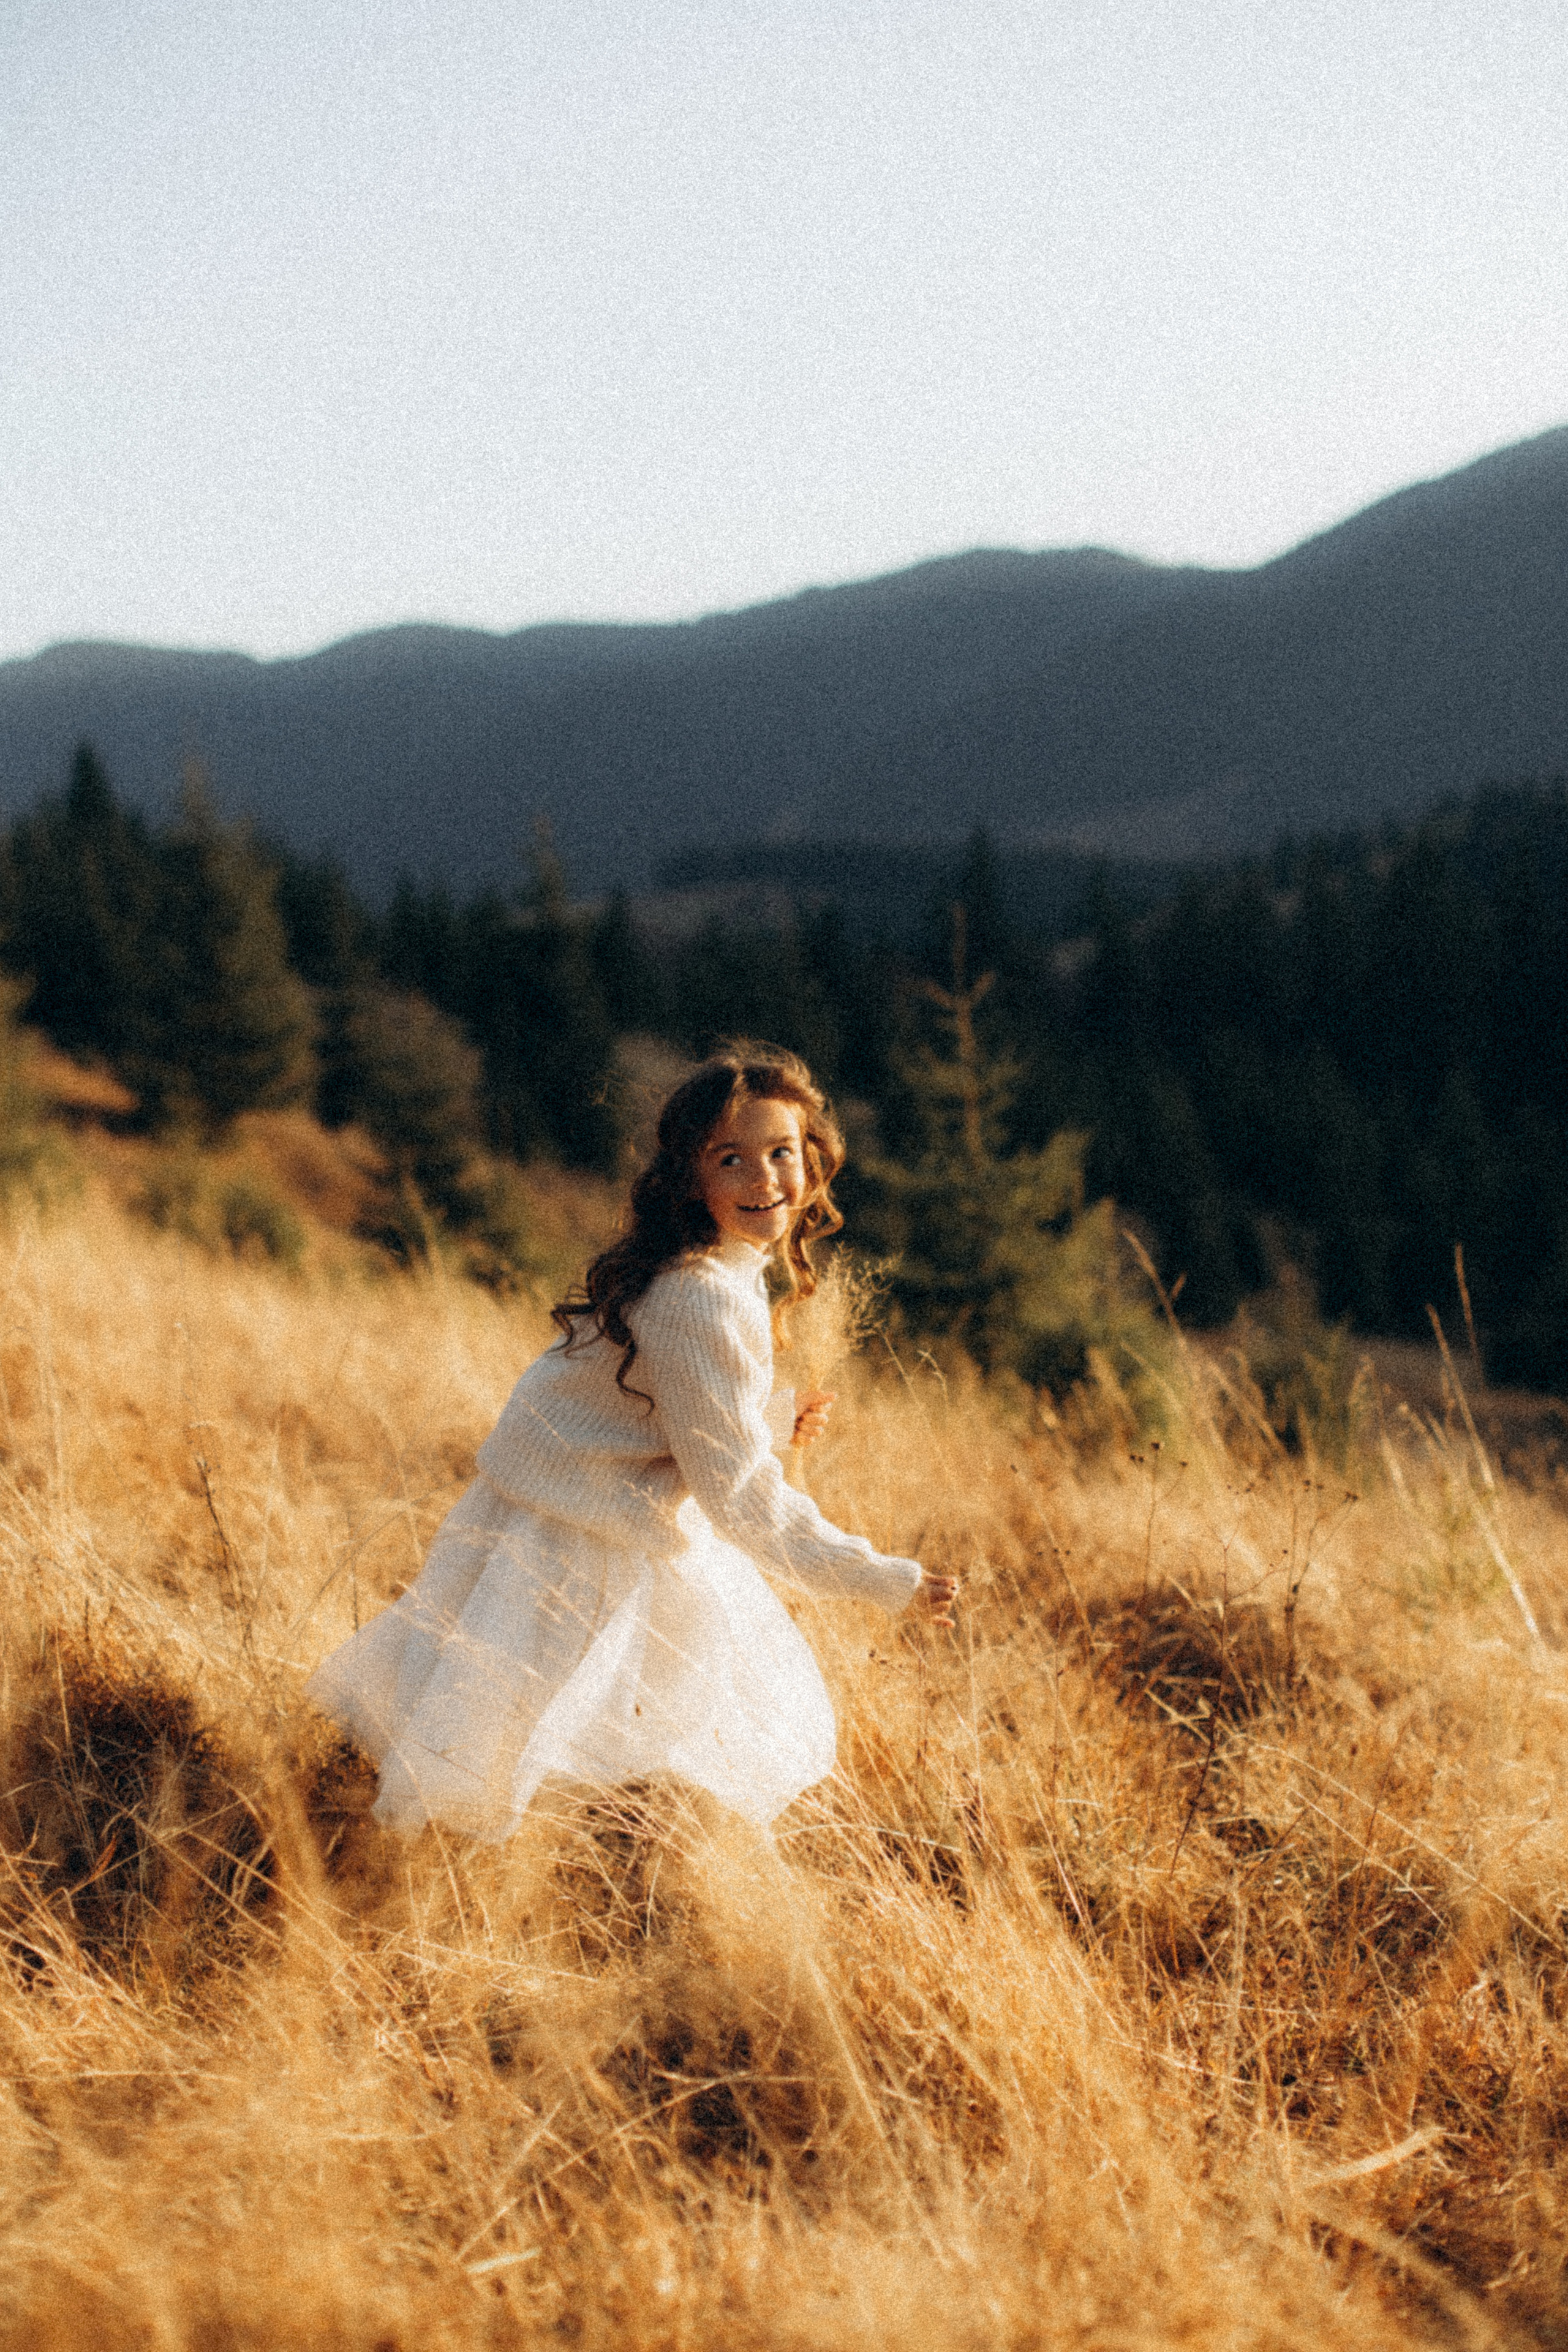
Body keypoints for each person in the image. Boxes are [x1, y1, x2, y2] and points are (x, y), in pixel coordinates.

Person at [306, 1043, 956, 1839]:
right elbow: (746, 1502)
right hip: (574, 1538)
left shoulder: (716, 1268)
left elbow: (667, 1407)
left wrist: (768, 1418)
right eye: (732, 1160)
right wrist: (884, 1578)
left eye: (782, 1153)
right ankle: (472, 1877)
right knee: (533, 1735)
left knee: (538, 1727)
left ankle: (555, 1866)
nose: (765, 1181)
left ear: (811, 1159)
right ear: (692, 1177)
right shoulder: (700, 1297)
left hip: (563, 1505)